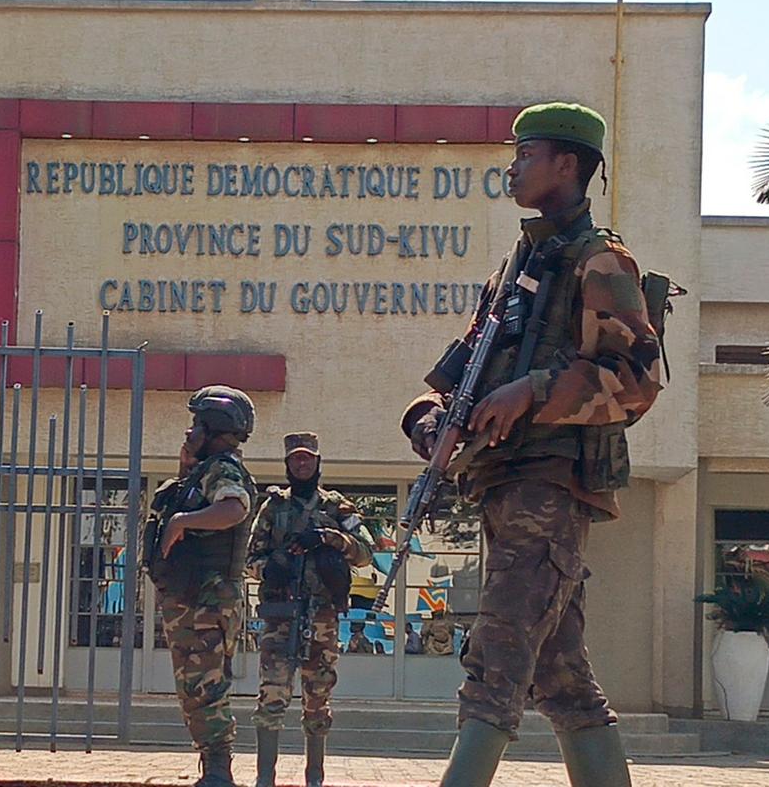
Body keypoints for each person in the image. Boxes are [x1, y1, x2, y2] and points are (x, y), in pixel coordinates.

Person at [400, 102, 663, 786]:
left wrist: (535, 392)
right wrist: (431, 420)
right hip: (505, 482)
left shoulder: (599, 261)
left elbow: (637, 377)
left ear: (567, 165)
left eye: (526, 154)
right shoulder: (518, 267)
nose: (512, 167)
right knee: (562, 675)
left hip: (551, 485)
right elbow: (464, 368)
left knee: (500, 656)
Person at [245, 431, 376, 787]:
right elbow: (249, 558)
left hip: (322, 618)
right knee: (272, 695)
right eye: (295, 459)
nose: (302, 464)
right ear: (287, 464)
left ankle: (314, 777)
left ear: (318, 462)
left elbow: (366, 552)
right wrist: (269, 567)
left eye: (308, 458)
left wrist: (326, 537)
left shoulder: (337, 507)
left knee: (318, 698)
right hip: (280, 616)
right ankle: (264, 778)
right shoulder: (273, 508)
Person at [146, 386, 259, 787]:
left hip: (207, 598)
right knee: (196, 688)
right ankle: (212, 766)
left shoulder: (222, 469)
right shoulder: (201, 470)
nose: (188, 430)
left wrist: (181, 522)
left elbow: (234, 507)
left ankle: (217, 771)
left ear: (213, 428)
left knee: (205, 686)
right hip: (193, 597)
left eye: (196, 423)